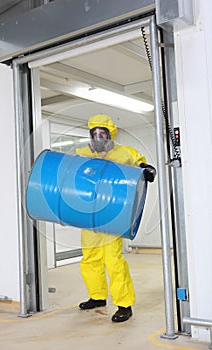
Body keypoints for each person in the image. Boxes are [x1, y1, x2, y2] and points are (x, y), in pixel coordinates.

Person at [75, 114, 156, 322]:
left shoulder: (124, 153)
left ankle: (124, 304)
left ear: (111, 134)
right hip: (88, 216)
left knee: (114, 261)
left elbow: (140, 165)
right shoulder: (81, 153)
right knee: (90, 259)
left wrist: (146, 169)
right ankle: (97, 296)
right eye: (95, 133)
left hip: (111, 215)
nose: (98, 136)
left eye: (103, 132)